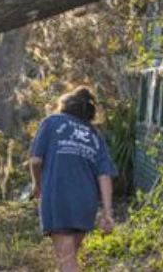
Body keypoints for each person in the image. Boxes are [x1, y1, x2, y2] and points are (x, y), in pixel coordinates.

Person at [29, 87, 117, 272]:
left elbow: (36, 161)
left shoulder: (52, 122)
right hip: (86, 203)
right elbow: (104, 175)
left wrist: (37, 185)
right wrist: (107, 213)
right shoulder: (94, 136)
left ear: (65, 105)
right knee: (69, 257)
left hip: (58, 197)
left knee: (67, 261)